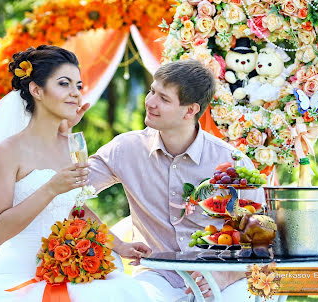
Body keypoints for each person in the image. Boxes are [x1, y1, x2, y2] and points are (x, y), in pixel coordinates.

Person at [0, 45, 154, 302]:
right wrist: (51, 188)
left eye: (78, 85)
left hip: (70, 270)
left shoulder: (70, 145)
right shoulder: (8, 151)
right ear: (37, 90)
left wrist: (119, 245)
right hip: (20, 275)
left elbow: (76, 209)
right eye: (64, 84)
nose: (75, 93)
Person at [75, 60, 264, 301]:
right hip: (157, 276)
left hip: (223, 274)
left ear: (190, 110)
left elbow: (262, 239)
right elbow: (66, 196)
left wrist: (224, 276)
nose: (150, 102)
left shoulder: (232, 162)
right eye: (152, 91)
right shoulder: (125, 149)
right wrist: (118, 244)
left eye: (164, 99)